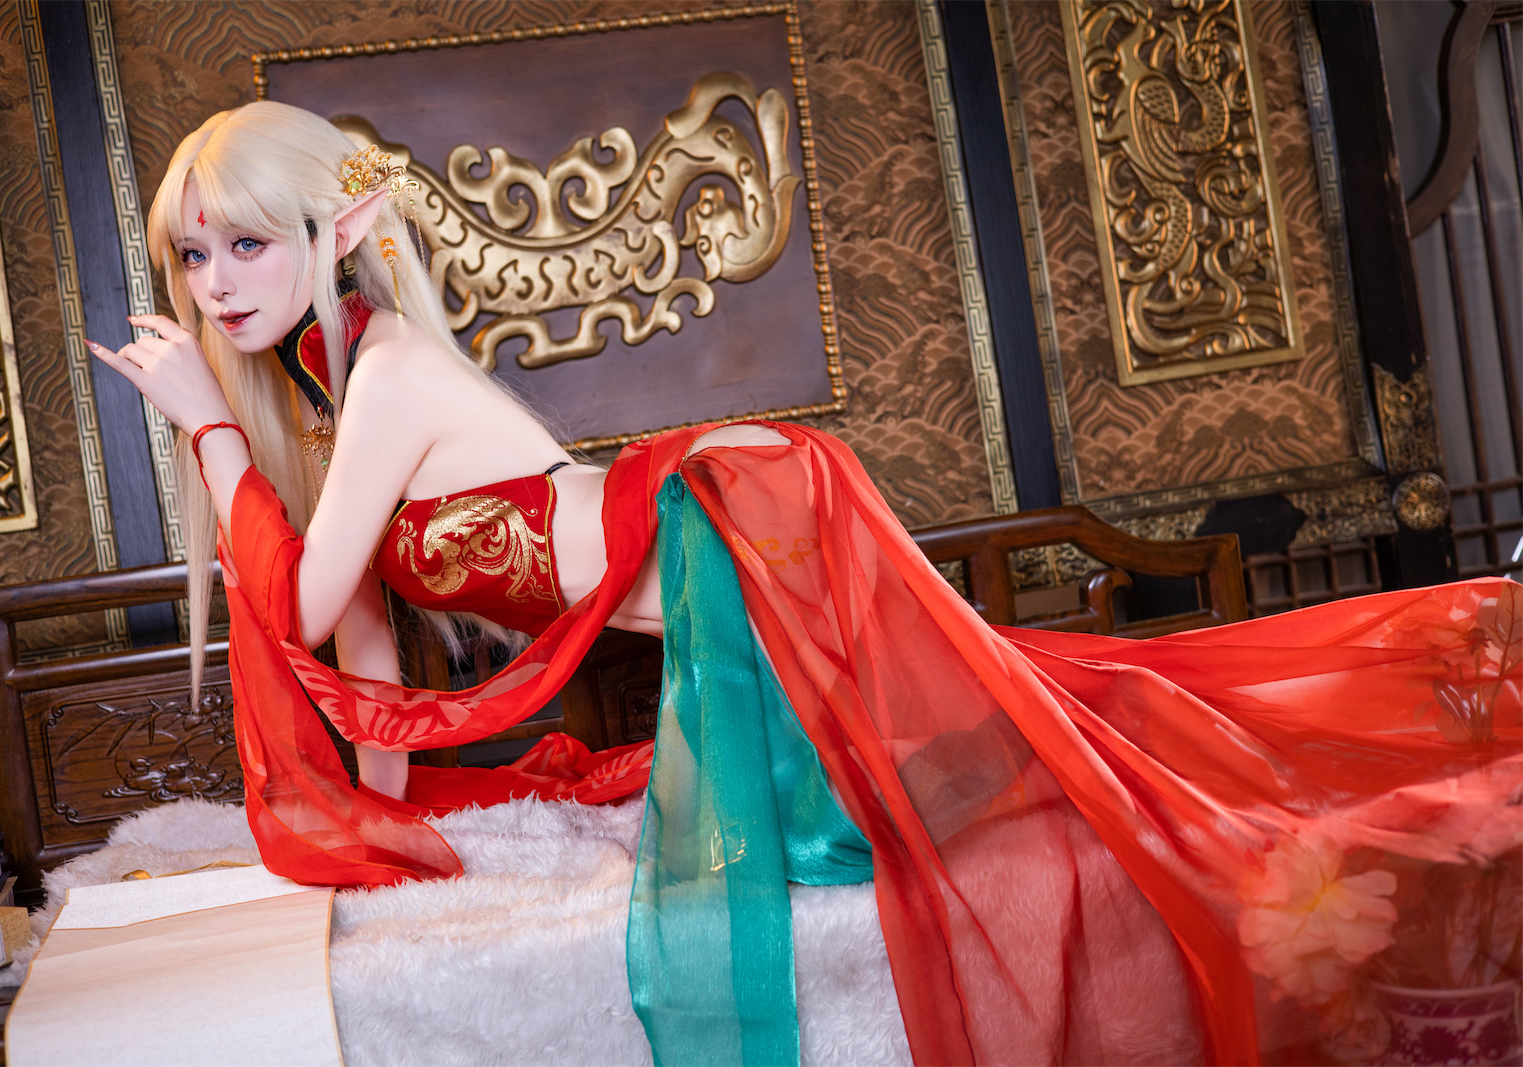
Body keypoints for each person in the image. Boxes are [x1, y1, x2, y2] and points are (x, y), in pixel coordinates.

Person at [90, 101, 1520, 1066]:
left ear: (339, 232)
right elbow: (360, 654)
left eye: (247, 244)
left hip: (739, 551)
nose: (215, 285)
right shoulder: (344, 417)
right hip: (720, 594)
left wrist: (208, 431)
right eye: (192, 255)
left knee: (1075, 767)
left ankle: (1449, 721)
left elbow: (288, 606)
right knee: (1057, 730)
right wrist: (378, 847)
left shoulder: (394, 370)